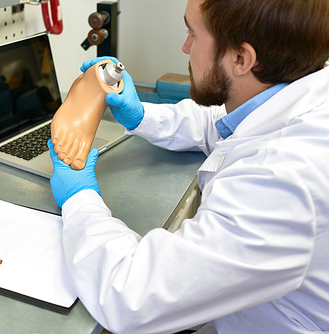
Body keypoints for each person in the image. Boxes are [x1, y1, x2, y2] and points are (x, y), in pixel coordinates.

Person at [46, 0, 329, 333]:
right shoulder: (302, 87)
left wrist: (80, 199)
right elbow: (225, 121)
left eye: (192, 34)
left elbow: (130, 297)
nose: (184, 47)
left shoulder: (281, 180)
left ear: (241, 58)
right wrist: (142, 116)